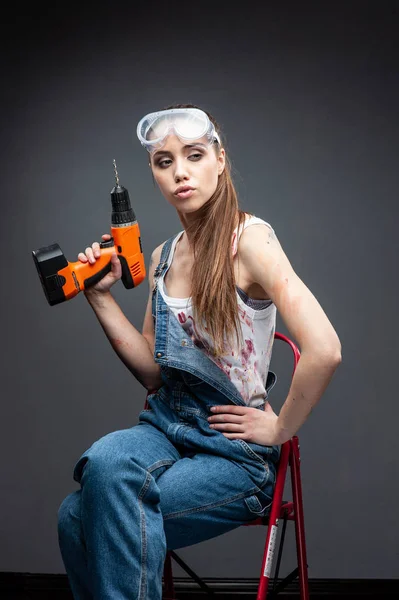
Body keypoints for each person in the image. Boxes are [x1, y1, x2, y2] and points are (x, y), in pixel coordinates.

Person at [57, 104, 342, 599]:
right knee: (103, 466)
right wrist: (99, 296)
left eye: (194, 155)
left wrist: (279, 429)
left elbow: (325, 349)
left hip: (234, 454)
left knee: (78, 516)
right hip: (167, 425)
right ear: (153, 172)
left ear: (220, 159)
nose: (180, 172)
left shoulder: (249, 242)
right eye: (165, 161)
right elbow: (153, 372)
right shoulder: (164, 256)